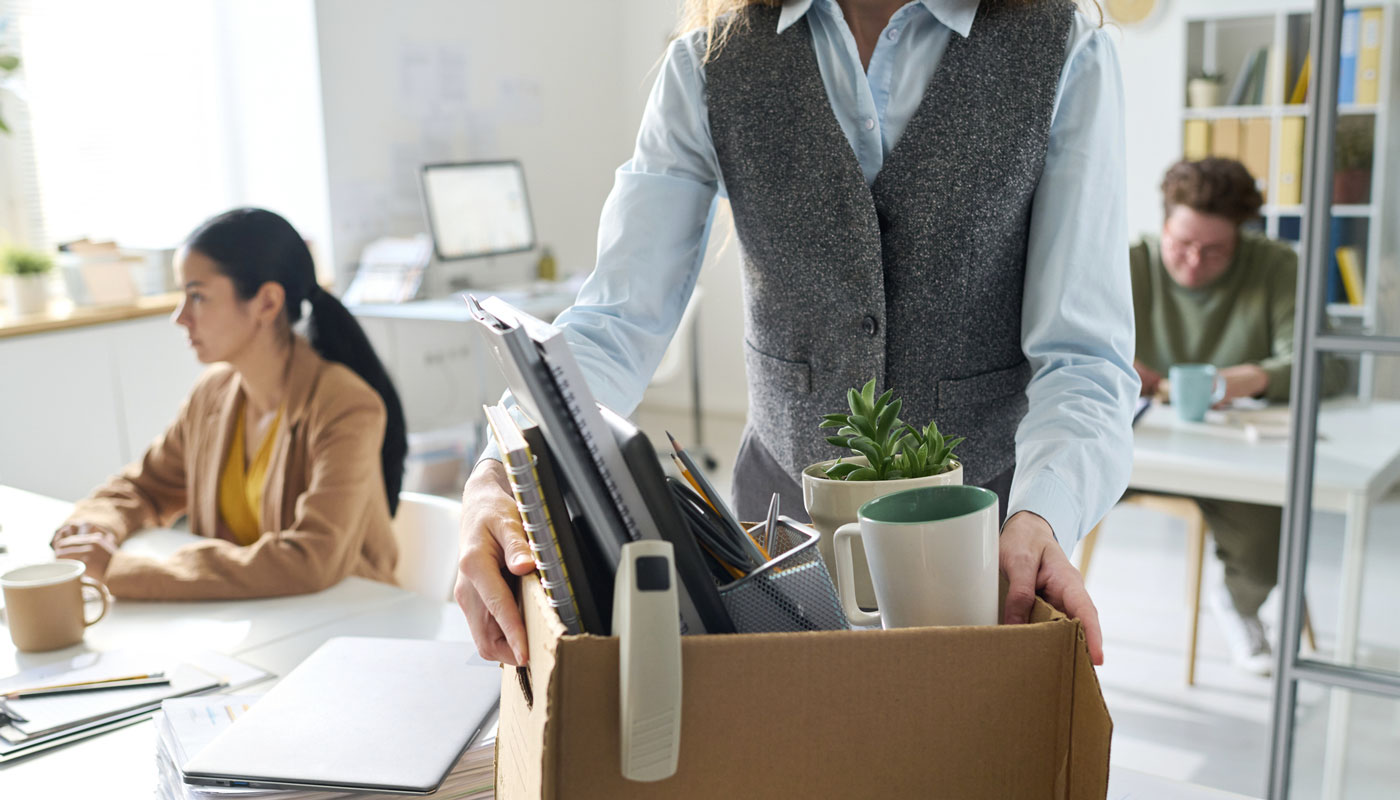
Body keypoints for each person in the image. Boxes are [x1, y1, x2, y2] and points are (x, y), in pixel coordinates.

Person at [457, 0, 1138, 667]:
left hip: (984, 547)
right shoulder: (710, 61)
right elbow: (616, 320)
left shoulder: (1064, 48)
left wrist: (1043, 517)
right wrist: (502, 468)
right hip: (773, 543)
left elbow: (1085, 358)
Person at [51, 208, 408, 600]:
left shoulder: (345, 405)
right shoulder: (213, 394)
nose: (180, 317)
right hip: (253, 621)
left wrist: (121, 572)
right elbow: (144, 488)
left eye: (198, 296)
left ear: (267, 303)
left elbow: (311, 559)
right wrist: (95, 528)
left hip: (350, 622)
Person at [1131, 157, 1346, 674]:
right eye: (1180, 243)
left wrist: (1254, 377)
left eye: (1215, 250)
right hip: (1139, 449)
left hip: (1234, 456)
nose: (1193, 262)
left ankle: (1240, 603)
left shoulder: (1277, 267)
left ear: (1242, 238)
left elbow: (1329, 367)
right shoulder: (1131, 263)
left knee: (1267, 531)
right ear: (1163, 223)